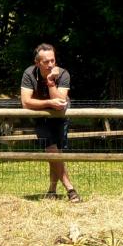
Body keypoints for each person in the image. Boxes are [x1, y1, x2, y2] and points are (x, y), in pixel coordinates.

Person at [20, 43, 80, 202]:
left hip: (60, 116)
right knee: (51, 150)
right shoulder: (29, 74)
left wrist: (51, 81)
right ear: (37, 62)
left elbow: (60, 101)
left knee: (56, 153)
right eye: (46, 62)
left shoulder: (63, 74)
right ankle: (70, 189)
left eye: (52, 60)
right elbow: (26, 102)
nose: (51, 64)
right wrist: (48, 104)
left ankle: (52, 191)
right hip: (41, 116)